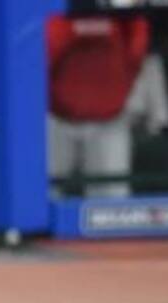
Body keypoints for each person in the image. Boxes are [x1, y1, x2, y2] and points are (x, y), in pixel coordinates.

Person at [47, 15, 150, 198]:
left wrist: (120, 87)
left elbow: (137, 45)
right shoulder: (56, 14)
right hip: (54, 117)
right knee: (39, 195)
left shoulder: (123, 16)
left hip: (109, 120)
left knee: (111, 204)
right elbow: (37, 52)